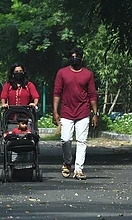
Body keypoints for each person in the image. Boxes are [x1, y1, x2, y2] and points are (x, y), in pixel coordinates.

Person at [52, 48, 98, 180]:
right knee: (65, 139)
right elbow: (57, 93)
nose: (75, 59)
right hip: (66, 112)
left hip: (83, 112)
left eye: (77, 56)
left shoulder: (88, 74)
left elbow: (92, 95)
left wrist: (95, 113)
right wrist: (55, 112)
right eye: (72, 56)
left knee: (82, 141)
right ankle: (67, 162)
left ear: (82, 58)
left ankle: (79, 169)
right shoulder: (62, 73)